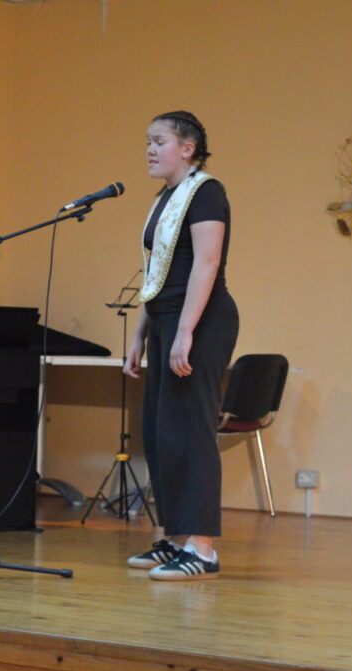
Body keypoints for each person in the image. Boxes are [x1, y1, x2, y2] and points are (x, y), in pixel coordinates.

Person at [123, 111, 239, 581]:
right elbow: (156, 274)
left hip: (201, 322)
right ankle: (176, 538)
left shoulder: (207, 192)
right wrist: (141, 333)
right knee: (160, 433)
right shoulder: (165, 198)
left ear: (187, 149)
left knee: (191, 432)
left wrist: (186, 331)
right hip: (166, 320)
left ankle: (203, 549)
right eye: (147, 141)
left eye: (160, 141)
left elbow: (206, 264)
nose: (150, 150)